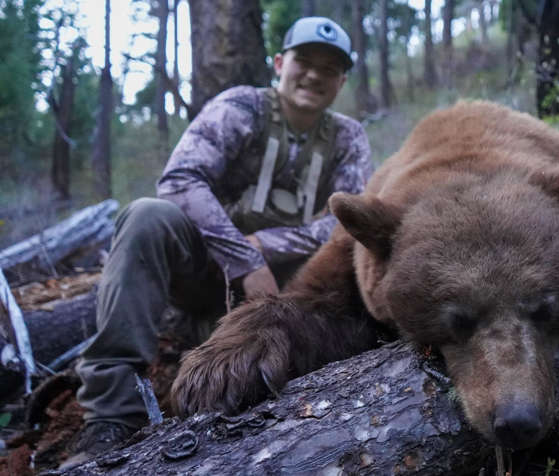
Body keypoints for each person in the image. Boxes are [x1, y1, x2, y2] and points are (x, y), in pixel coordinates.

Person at [62, 16, 372, 468]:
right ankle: (112, 415)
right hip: (208, 271)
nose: (314, 75)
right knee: (147, 214)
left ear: (341, 81)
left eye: (329, 68)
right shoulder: (240, 108)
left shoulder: (348, 138)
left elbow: (346, 223)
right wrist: (242, 256)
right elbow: (181, 179)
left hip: (288, 299)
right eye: (304, 61)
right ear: (279, 63)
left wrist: (266, 245)